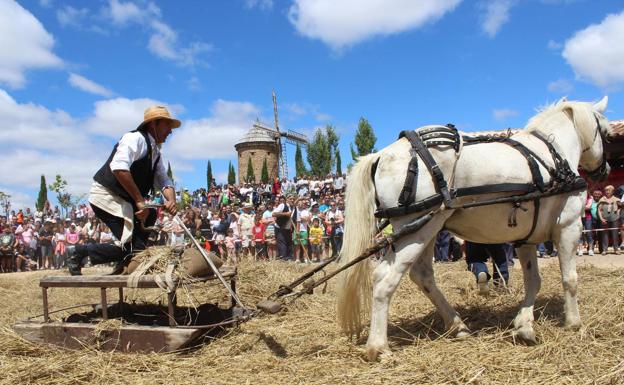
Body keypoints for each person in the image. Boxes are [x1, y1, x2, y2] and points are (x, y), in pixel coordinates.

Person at [67, 105, 179, 275]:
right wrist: (140, 202)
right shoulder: (134, 139)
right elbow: (119, 168)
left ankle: (123, 263)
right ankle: (79, 252)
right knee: (133, 249)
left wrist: (171, 200)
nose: (170, 131)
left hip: (125, 200)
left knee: (142, 236)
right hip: (106, 196)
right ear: (153, 124)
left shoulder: (155, 153)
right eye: (167, 125)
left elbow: (164, 181)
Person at [598, 185, 620, 255]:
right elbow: (599, 209)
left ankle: (616, 249)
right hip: (605, 219)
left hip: (614, 219)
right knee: (605, 234)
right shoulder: (602, 199)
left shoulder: (616, 199)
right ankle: (605, 250)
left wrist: (618, 213)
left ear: (612, 191)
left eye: (609, 190)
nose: (607, 192)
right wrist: (601, 218)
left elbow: (621, 207)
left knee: (615, 234)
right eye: (606, 190)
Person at [273, 195, 295, 261]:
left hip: (288, 229)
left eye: (293, 199)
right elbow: (274, 214)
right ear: (287, 200)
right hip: (280, 228)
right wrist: (285, 214)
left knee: (289, 245)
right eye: (290, 199)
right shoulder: (282, 205)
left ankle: (288, 259)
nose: (292, 200)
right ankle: (283, 259)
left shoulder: (294, 208)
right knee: (282, 245)